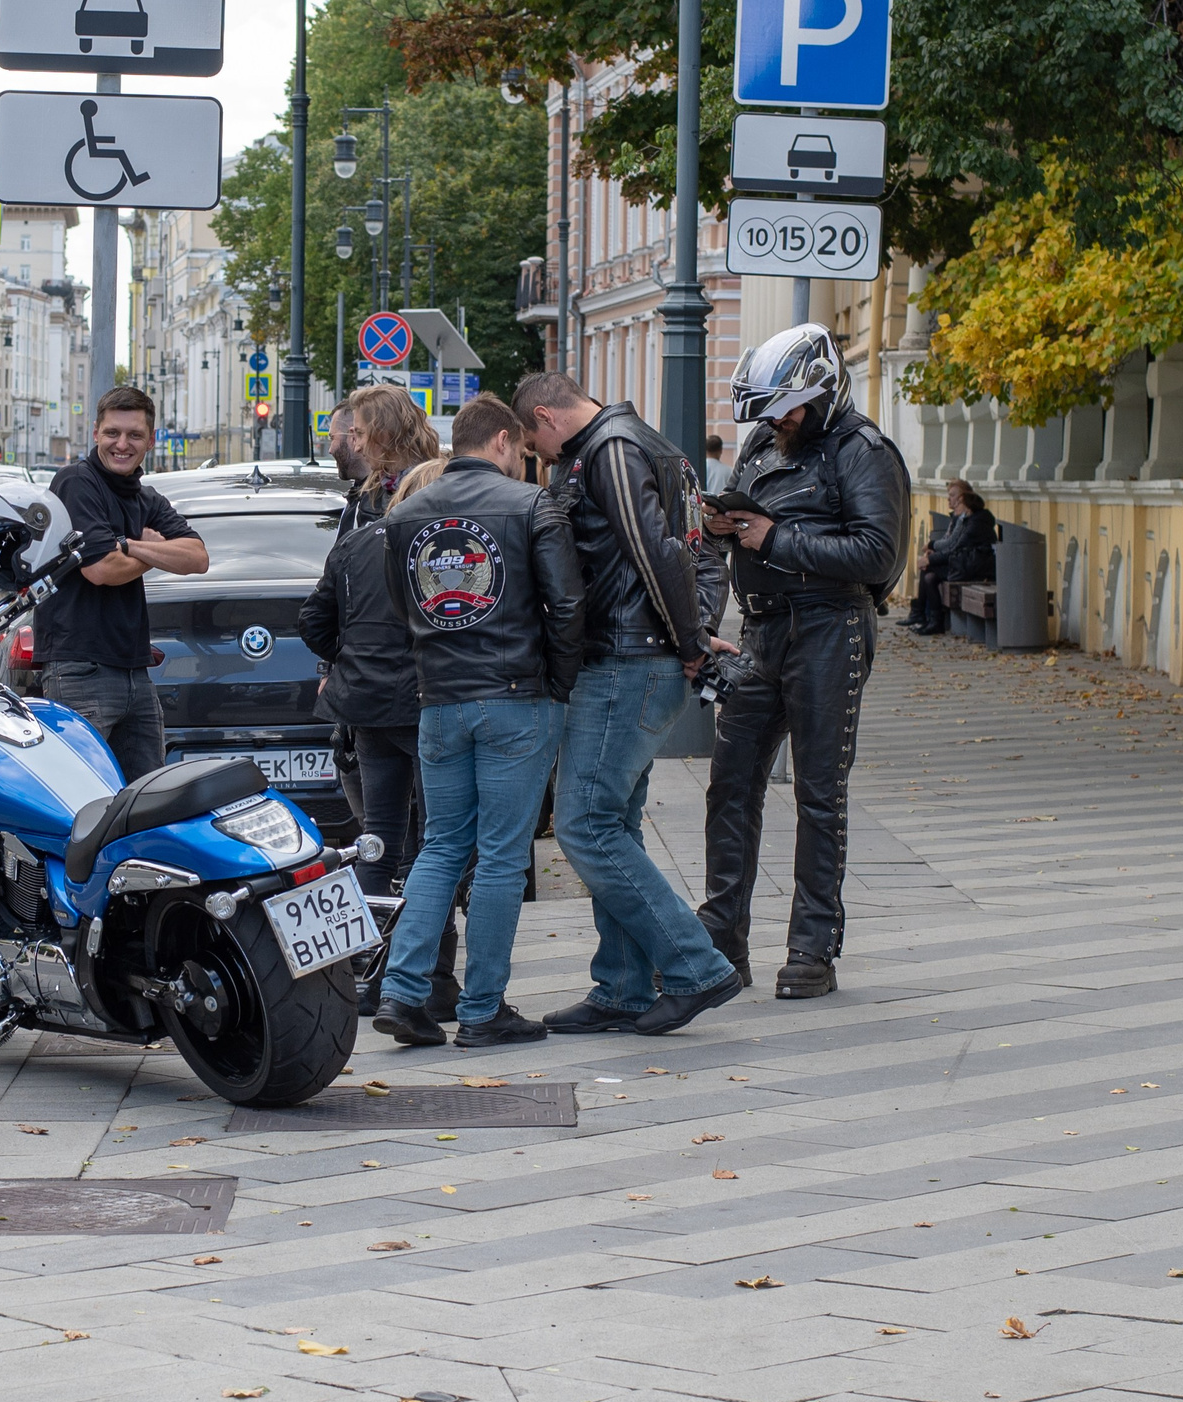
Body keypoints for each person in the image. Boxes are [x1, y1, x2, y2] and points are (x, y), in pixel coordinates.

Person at [516, 368, 742, 1038]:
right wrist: (693, 634)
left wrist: (691, 641)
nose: (544, 463)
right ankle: (621, 986)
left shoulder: (608, 450)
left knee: (584, 825)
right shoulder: (656, 445)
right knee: (617, 825)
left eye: (538, 448)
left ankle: (695, 967)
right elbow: (702, 553)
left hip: (626, 660)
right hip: (642, 659)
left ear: (546, 418)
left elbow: (661, 552)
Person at [697, 323, 911, 998]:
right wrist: (720, 527)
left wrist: (776, 539)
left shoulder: (863, 451)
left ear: (823, 393)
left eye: (787, 408)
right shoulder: (764, 440)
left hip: (829, 628)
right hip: (762, 632)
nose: (778, 421)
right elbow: (745, 519)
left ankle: (812, 949)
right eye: (769, 411)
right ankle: (723, 945)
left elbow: (879, 555)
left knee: (819, 793)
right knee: (730, 787)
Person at [372, 393, 583, 1049]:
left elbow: (397, 604)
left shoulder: (405, 516)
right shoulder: (529, 506)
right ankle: (484, 1009)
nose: (523, 461)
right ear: (500, 442)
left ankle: (403, 995)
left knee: (439, 849)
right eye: (520, 450)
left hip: (439, 701)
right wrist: (560, 685)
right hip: (517, 697)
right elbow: (568, 604)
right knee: (498, 858)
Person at [300, 386, 455, 1018]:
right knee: (429, 844)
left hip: (369, 698)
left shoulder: (373, 519)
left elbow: (323, 611)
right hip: (419, 695)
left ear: (384, 434)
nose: (347, 440)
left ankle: (370, 975)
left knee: (383, 840)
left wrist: (344, 662)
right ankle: (426, 978)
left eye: (357, 431)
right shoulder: (393, 509)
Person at [31, 383, 208, 779]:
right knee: (84, 797)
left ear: (151, 440)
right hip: (80, 670)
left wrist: (128, 546)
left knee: (146, 801)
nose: (121, 444)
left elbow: (197, 558)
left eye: (134, 435)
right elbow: (101, 570)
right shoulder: (76, 482)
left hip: (134, 671)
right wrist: (147, 547)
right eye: (112, 433)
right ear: (95, 433)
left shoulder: (147, 498)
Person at [906, 479, 998, 633]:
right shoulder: (967, 519)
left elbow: (954, 547)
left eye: (956, 500)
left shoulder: (975, 522)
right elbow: (952, 545)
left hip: (975, 568)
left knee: (929, 572)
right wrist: (932, 555)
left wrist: (931, 556)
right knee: (929, 574)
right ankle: (926, 616)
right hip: (965, 564)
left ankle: (928, 618)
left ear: (966, 502)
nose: (952, 503)